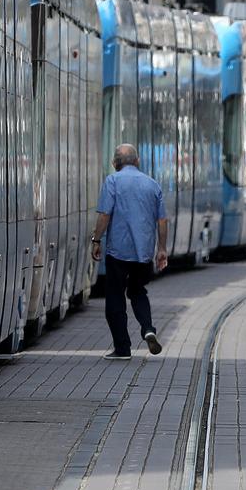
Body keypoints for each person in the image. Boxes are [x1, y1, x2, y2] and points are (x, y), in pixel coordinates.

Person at [90, 144, 168, 360]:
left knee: (115, 299)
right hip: (143, 253)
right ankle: (148, 328)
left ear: (115, 164)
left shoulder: (112, 181)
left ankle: (122, 348)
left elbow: (104, 215)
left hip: (118, 253)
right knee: (137, 292)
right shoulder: (152, 185)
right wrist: (161, 249)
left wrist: (96, 240)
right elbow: (162, 220)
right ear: (137, 161)